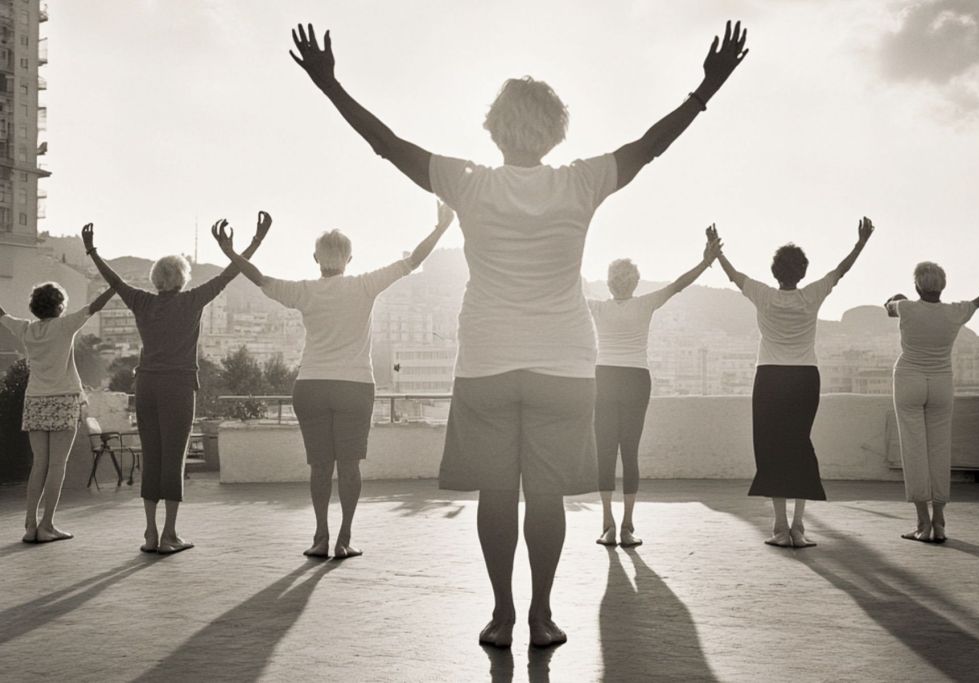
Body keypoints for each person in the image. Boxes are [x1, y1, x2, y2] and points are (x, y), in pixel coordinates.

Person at [289, 19, 748, 647]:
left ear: (494, 127)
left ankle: (502, 615)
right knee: (549, 497)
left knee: (498, 495)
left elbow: (387, 144)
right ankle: (541, 616)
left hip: (485, 363)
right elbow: (650, 144)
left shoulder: (467, 181)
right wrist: (704, 89)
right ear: (556, 129)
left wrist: (329, 85)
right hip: (565, 365)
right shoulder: (581, 180)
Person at [212, 202, 454, 560]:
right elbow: (412, 262)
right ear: (350, 258)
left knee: (320, 466)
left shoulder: (305, 291)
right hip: (354, 386)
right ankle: (344, 539)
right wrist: (441, 228)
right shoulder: (363, 285)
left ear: (315, 258)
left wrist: (231, 251)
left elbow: (260, 278)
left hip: (311, 385)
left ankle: (319, 536)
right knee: (349, 465)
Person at [82, 216, 268, 554]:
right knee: (174, 460)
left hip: (147, 386)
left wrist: (92, 251)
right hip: (178, 387)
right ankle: (170, 535)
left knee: (152, 458)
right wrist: (253, 242)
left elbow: (115, 279)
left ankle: (150, 534)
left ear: (156, 279)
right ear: (182, 278)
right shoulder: (193, 300)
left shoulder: (141, 301)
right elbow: (229, 274)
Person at [712, 218, 873, 548]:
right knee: (800, 446)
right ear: (801, 272)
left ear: (775, 272)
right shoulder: (812, 295)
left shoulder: (762, 294)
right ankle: (799, 527)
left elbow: (732, 275)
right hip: (804, 377)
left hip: (770, 376)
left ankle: (779, 526)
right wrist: (860, 243)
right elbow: (840, 271)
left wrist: (716, 252)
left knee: (772, 450)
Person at [590, 235, 720, 548]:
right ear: (634, 283)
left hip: (604, 377)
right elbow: (679, 284)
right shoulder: (645, 303)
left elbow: (560, 292)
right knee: (629, 452)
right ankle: (627, 526)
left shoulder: (596, 308)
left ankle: (607, 523)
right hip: (636, 379)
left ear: (609, 284)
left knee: (605, 453)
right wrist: (706, 260)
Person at [885, 261, 979, 543]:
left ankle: (921, 523)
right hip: (941, 381)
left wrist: (899, 297)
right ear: (943, 286)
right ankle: (939, 521)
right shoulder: (954, 312)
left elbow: (888, 305)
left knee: (913, 448)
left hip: (909, 379)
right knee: (940, 448)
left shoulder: (907, 308)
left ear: (917, 286)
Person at [2, 283, 115, 543]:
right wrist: (115, 286)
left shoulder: (27, 329)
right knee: (57, 465)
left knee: (39, 464)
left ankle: (30, 525)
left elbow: (2, 315)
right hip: (63, 399)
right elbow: (95, 306)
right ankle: (48, 525)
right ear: (59, 305)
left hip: (35, 401)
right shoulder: (65, 326)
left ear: (35, 306)